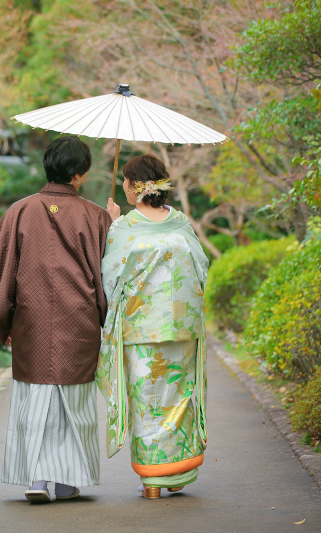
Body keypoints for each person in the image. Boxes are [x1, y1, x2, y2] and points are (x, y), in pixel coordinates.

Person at [0, 136, 112, 503]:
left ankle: (36, 479)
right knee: (74, 403)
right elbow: (110, 277)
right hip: (79, 321)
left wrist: (4, 324)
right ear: (79, 176)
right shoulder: (96, 216)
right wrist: (114, 224)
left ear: (47, 167)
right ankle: (67, 481)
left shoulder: (18, 211)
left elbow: (2, 276)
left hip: (31, 320)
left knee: (34, 399)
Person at [98, 154, 209, 499]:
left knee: (147, 403)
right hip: (182, 327)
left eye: (126, 183)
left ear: (134, 187)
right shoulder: (181, 223)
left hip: (141, 330)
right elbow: (201, 267)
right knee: (179, 397)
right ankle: (176, 471)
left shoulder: (124, 228)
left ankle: (153, 481)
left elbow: (110, 277)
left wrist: (111, 223)